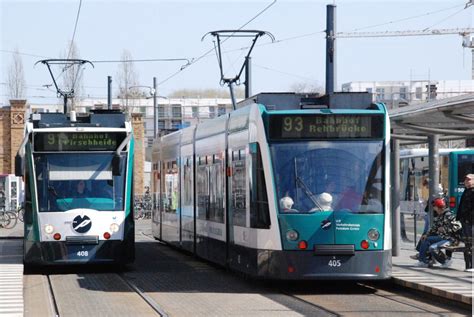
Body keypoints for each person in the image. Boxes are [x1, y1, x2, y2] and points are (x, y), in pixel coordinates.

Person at [416, 198, 462, 268]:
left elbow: (458, 226)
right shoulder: (439, 216)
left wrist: (445, 229)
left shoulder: (450, 215)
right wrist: (426, 234)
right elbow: (433, 227)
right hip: (442, 237)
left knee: (432, 247)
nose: (434, 209)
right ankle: (423, 261)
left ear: (439, 207)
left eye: (435, 207)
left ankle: (445, 261)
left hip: (451, 239)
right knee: (425, 239)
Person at [456, 173, 474, 272]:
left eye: (469, 180)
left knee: (472, 243)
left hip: (471, 222)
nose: (466, 181)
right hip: (465, 221)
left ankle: (472, 265)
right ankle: (468, 265)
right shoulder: (466, 191)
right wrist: (459, 218)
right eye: (466, 180)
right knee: (467, 244)